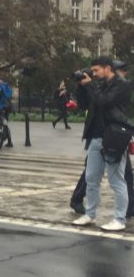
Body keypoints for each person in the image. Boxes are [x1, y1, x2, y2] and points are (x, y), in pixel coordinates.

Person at [70, 57, 131, 231]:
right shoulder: (99, 85)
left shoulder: (122, 85)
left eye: (96, 70)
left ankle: (119, 219)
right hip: (96, 137)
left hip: (114, 137)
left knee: (116, 180)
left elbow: (104, 102)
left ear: (108, 68)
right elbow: (84, 104)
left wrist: (90, 86)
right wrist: (82, 87)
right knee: (91, 178)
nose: (94, 74)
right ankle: (90, 215)